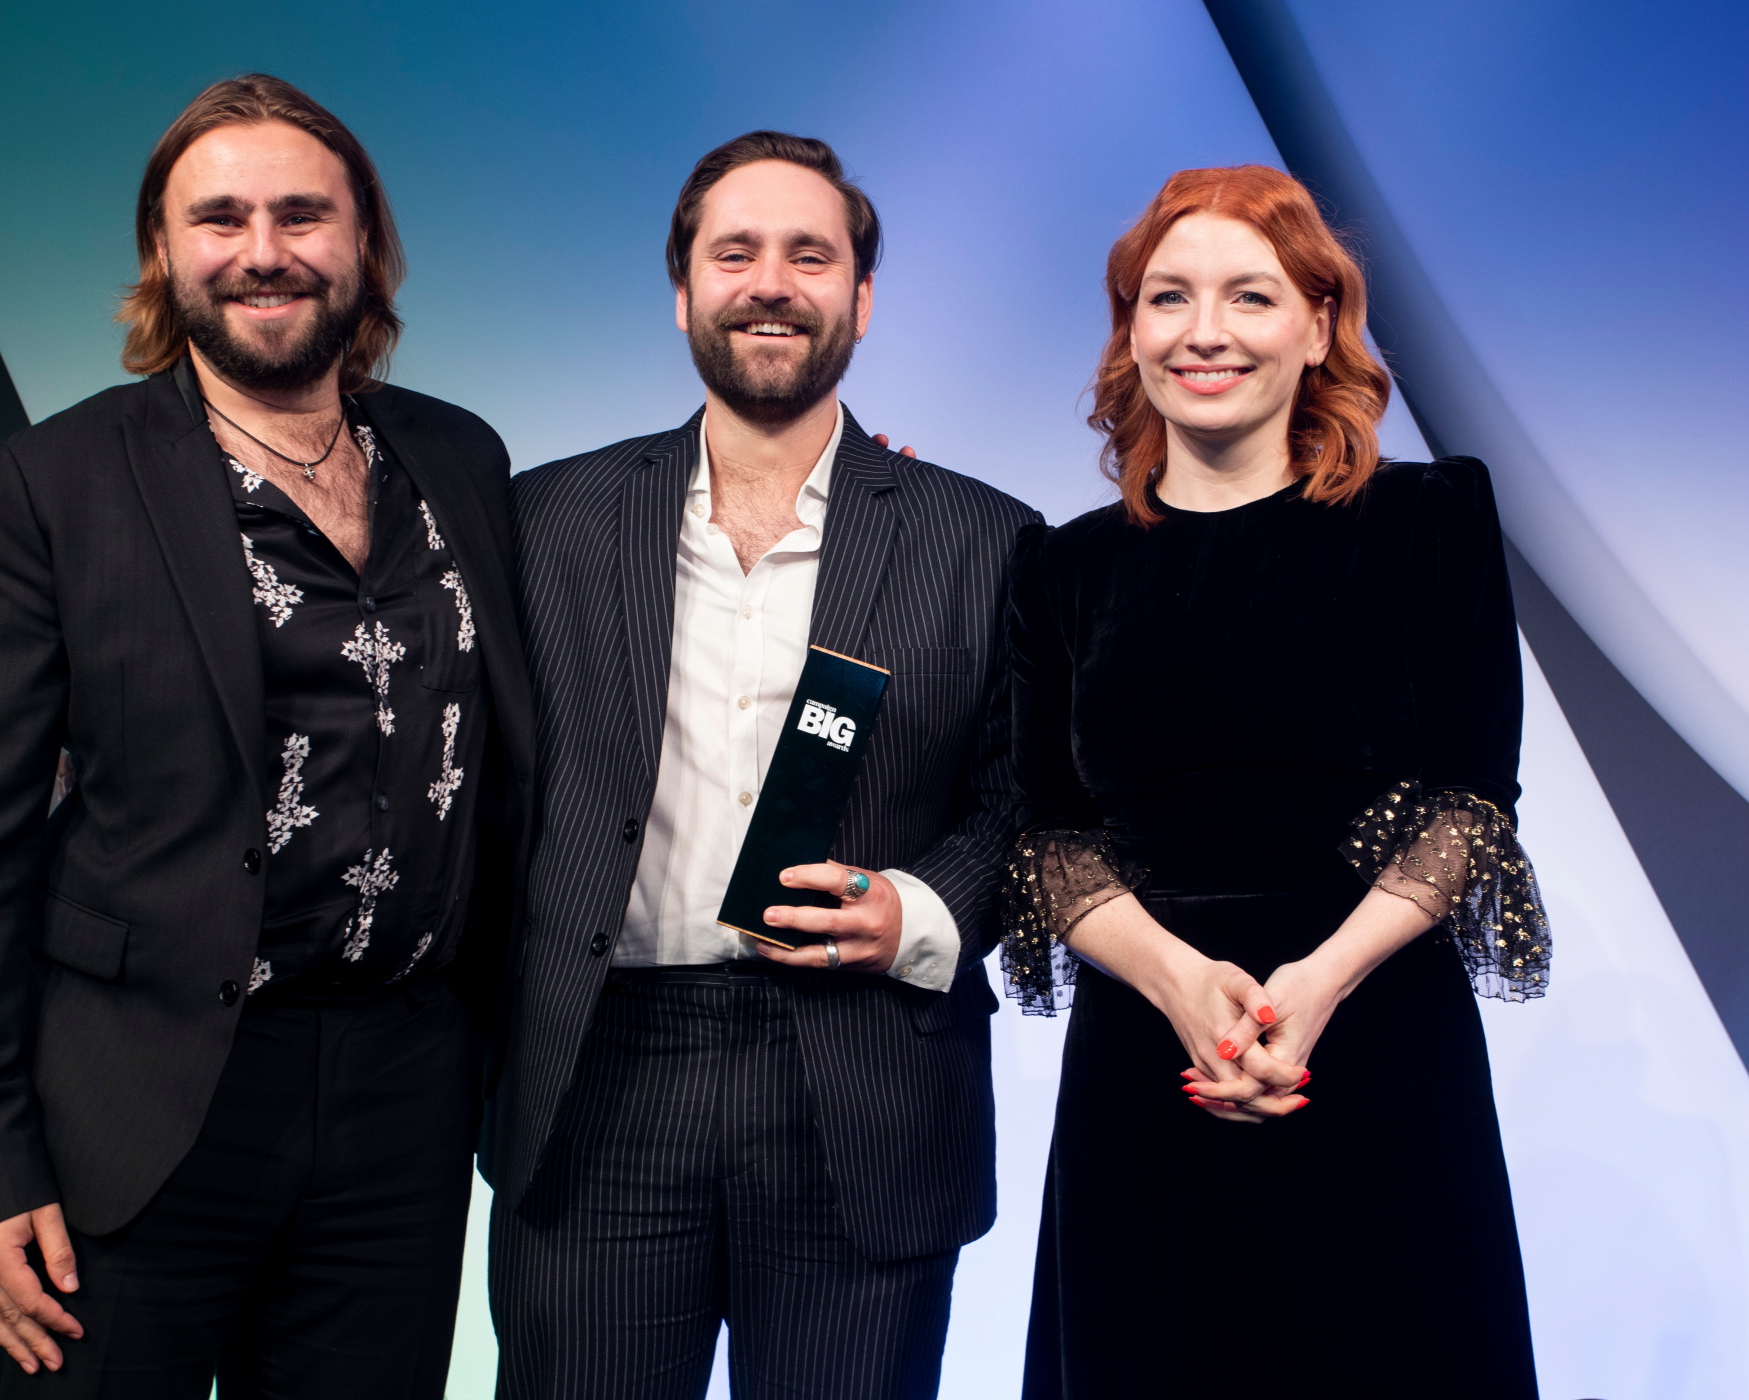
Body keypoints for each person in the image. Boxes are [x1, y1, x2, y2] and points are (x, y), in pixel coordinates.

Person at [0, 74, 531, 1398]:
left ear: (365, 242)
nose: (263, 251)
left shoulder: (461, 458)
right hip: (139, 1104)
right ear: (163, 249)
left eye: (302, 215)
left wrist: (847, 497)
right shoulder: (54, 483)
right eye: (220, 218)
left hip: (406, 1103)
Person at [485, 131, 1038, 1400]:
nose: (771, 283)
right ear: (683, 291)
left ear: (862, 297)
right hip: (600, 1074)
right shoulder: (543, 521)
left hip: (870, 1072)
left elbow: (1026, 796)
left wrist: (922, 908)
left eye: (810, 255)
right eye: (735, 253)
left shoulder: (989, 537)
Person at [1004, 164, 1548, 1399]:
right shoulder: (1059, 568)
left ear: (1318, 325)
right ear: (1130, 330)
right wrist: (1183, 985)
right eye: (1168, 297)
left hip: (1379, 1048)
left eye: (1250, 295)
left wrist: (1317, 983)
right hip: (1149, 1060)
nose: (1204, 331)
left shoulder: (1431, 518)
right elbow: (1048, 837)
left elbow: (1472, 800)